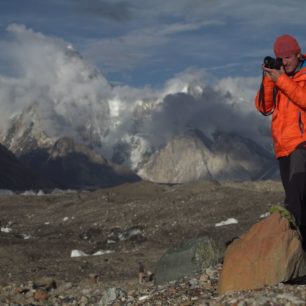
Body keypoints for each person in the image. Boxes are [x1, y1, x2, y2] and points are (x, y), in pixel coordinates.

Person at [255, 34, 306, 246]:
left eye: (288, 57)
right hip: (283, 147)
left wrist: (281, 80)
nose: (284, 62)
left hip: (302, 144)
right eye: (280, 58)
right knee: (301, 203)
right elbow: (264, 108)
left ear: (298, 54)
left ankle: (287, 245)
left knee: (294, 198)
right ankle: (301, 252)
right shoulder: (279, 78)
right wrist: (269, 79)